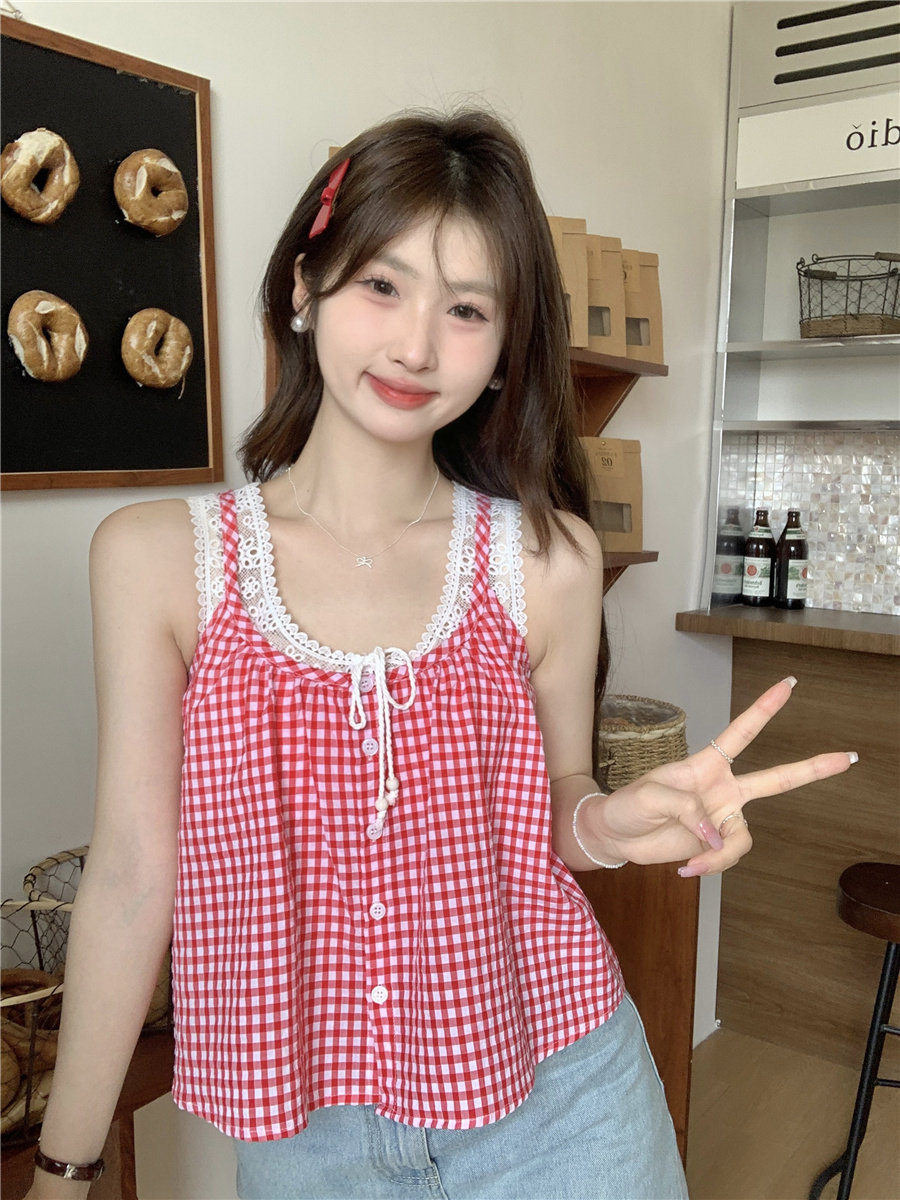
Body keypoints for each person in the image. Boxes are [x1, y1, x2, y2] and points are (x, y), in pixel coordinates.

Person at [27, 108, 856, 1200]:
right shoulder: (157, 560)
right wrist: (63, 1170)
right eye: (382, 284)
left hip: (563, 1100)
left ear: (507, 348)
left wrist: (606, 827)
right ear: (303, 286)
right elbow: (135, 875)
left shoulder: (549, 559)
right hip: (309, 1139)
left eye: (467, 308)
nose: (417, 345)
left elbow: (558, 802)